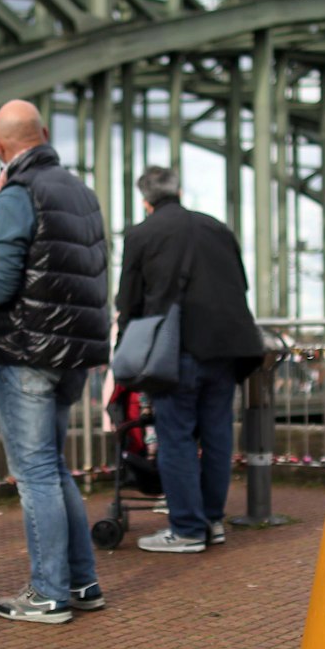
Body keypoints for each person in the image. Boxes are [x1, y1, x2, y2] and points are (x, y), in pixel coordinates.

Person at [0, 99, 111, 625]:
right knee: (53, 467)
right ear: (45, 134)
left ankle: (49, 593)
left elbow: (4, 282)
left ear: (0, 147)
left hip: (25, 352)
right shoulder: (82, 192)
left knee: (35, 473)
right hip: (73, 355)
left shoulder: (18, 192)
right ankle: (82, 581)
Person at [117, 166, 266, 553]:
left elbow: (128, 302)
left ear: (145, 200)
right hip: (228, 350)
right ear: (179, 190)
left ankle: (186, 529)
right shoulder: (217, 228)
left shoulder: (142, 234)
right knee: (216, 434)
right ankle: (212, 521)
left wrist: (125, 355)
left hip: (177, 350)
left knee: (176, 437)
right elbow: (241, 285)